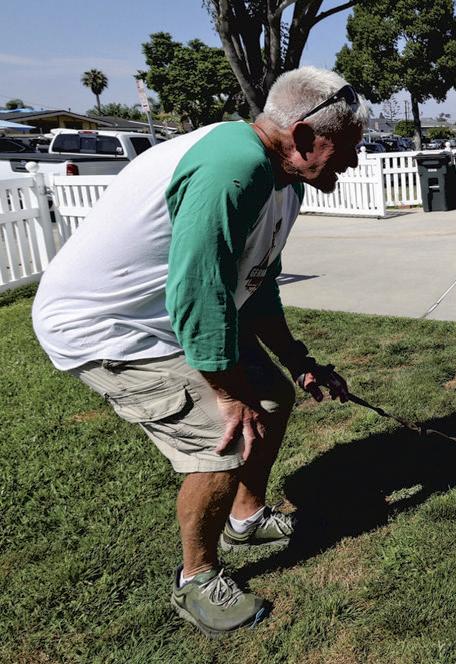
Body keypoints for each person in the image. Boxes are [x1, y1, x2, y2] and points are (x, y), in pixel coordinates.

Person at [32, 67, 369, 637]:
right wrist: (225, 393)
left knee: (271, 398)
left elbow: (255, 287)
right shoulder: (231, 168)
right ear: (306, 136)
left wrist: (300, 362)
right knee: (221, 436)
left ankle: (245, 515)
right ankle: (197, 578)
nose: (355, 163)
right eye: (348, 149)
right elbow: (196, 291)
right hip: (108, 327)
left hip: (170, 315)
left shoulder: (281, 181)